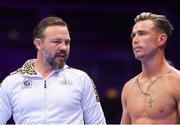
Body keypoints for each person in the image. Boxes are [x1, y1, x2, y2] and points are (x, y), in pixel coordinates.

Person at [0, 16, 106, 124]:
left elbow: (97, 123)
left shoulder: (81, 79)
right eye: (57, 41)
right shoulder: (11, 82)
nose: (64, 47)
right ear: (38, 44)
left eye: (67, 42)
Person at [120, 12, 180, 124]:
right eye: (133, 35)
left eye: (142, 33)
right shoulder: (128, 88)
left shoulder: (177, 82)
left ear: (161, 39)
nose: (135, 40)